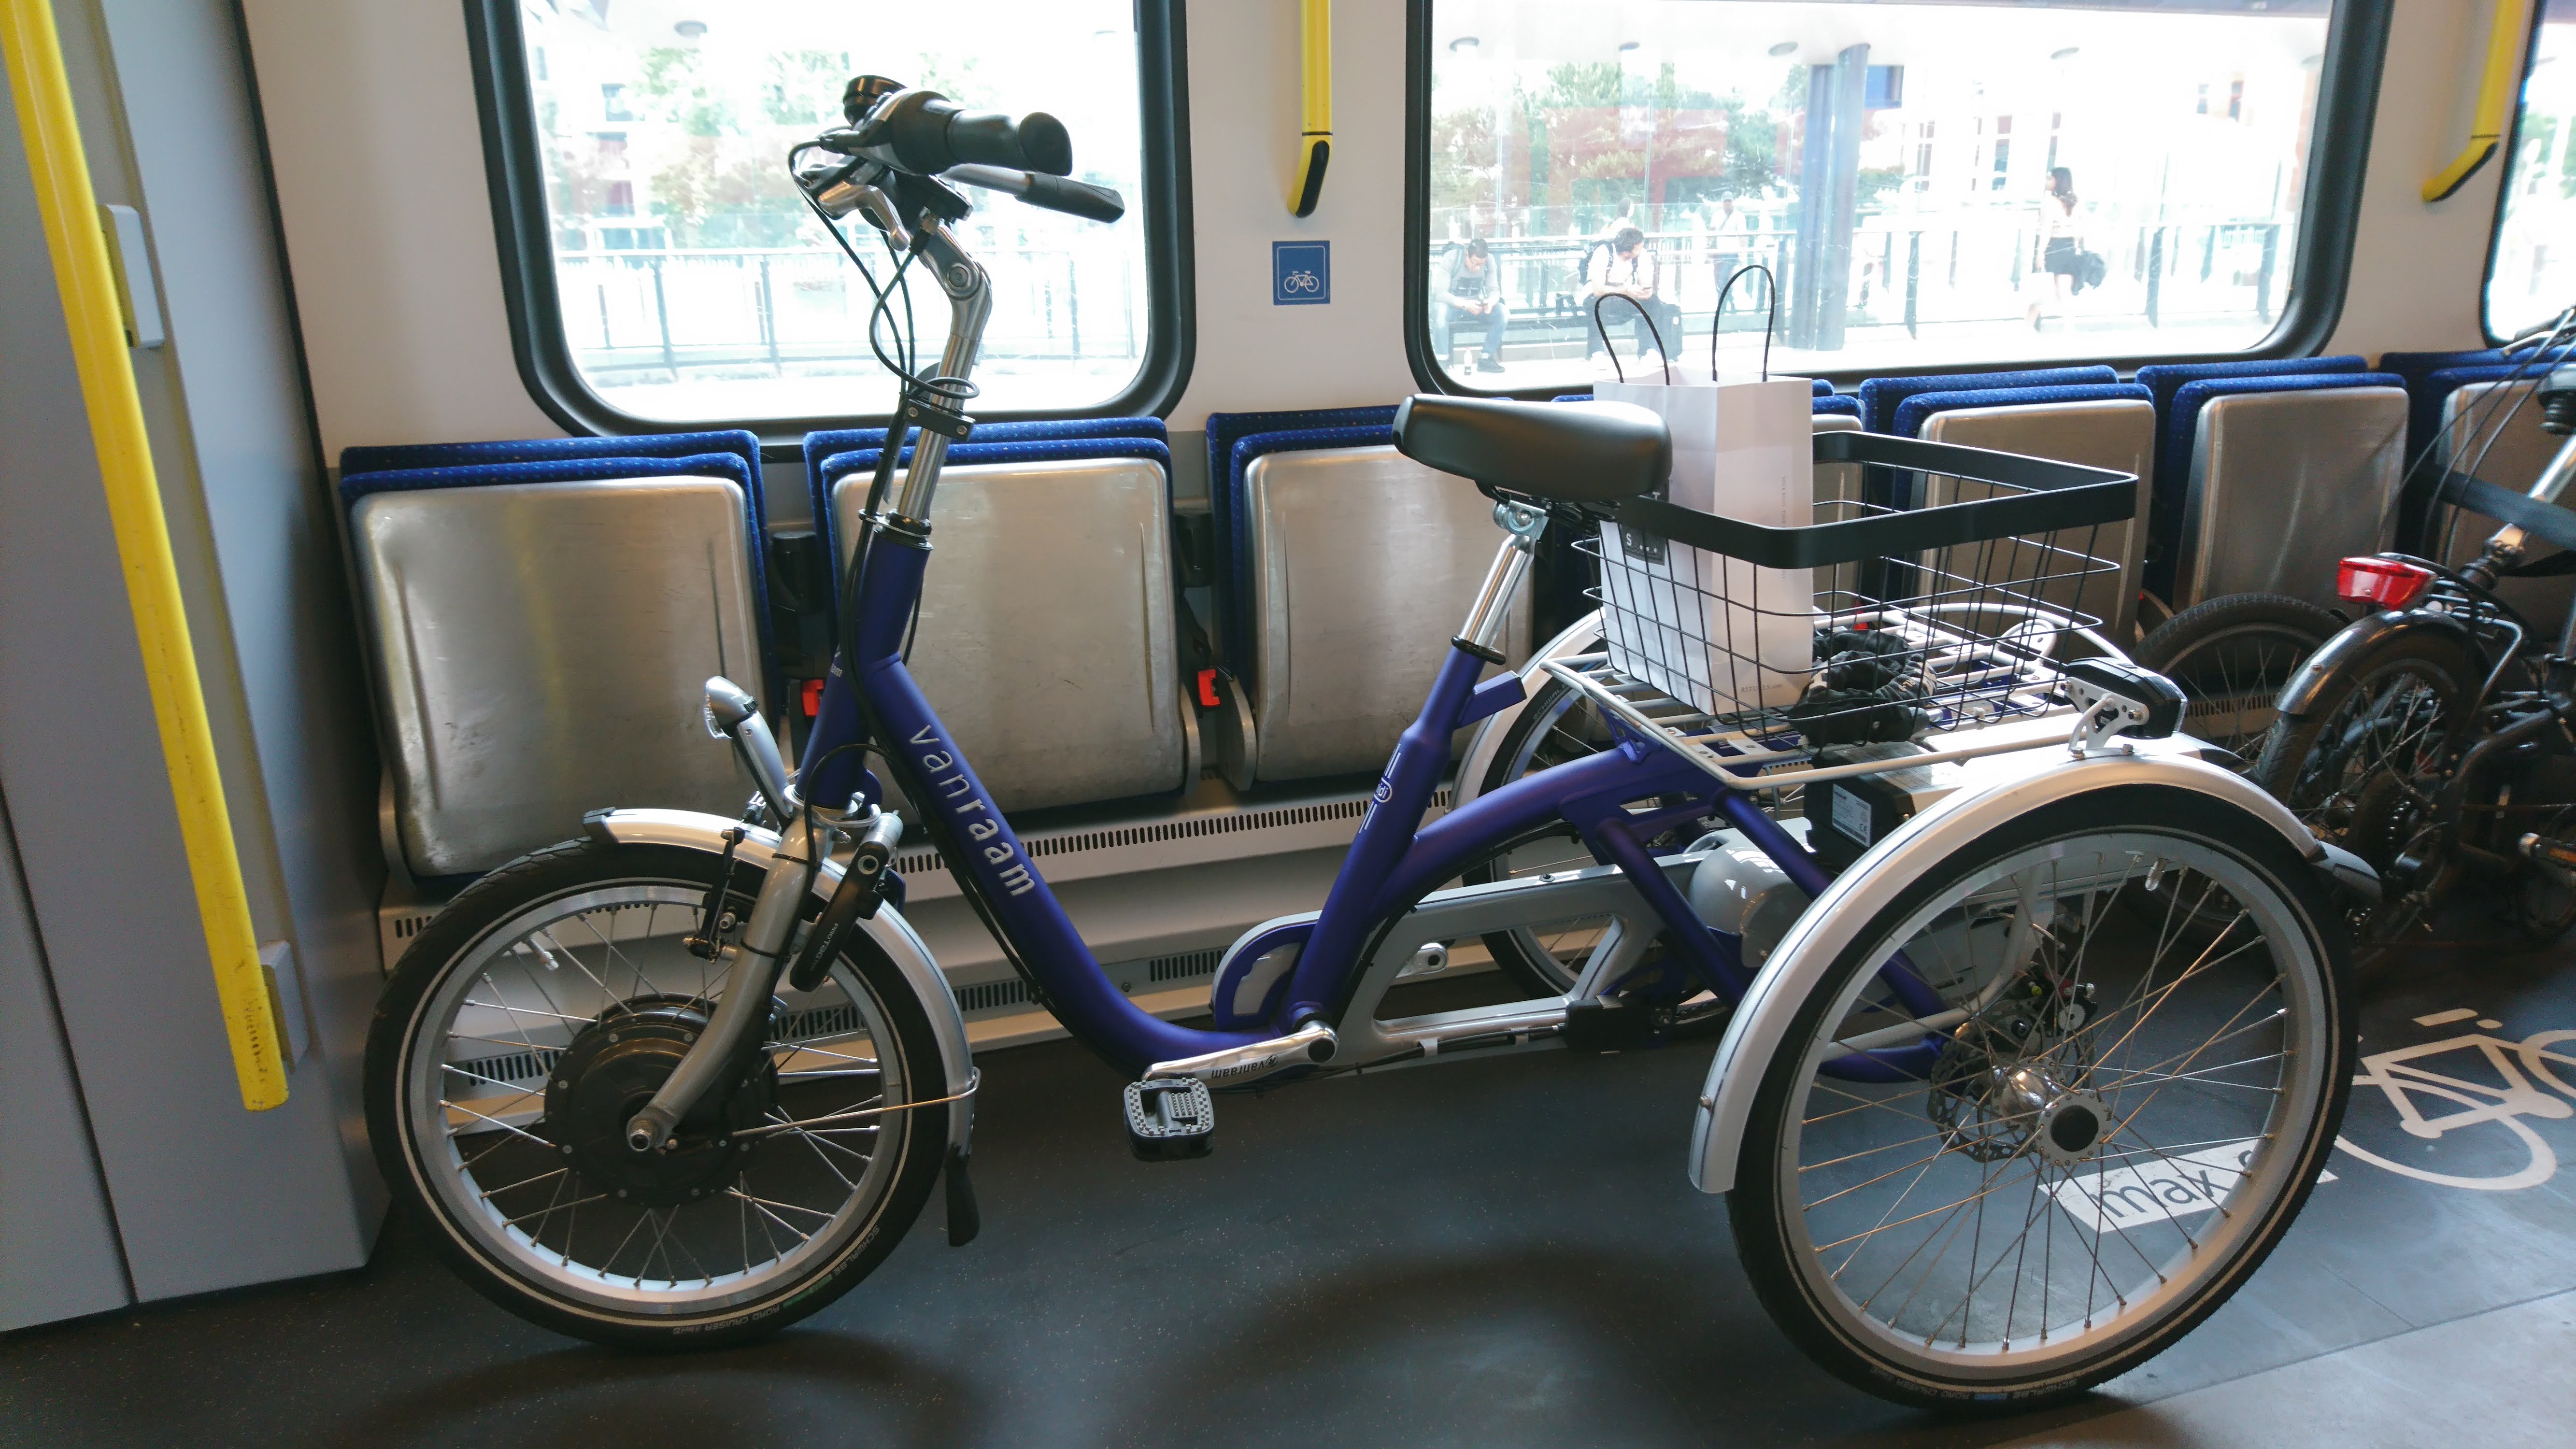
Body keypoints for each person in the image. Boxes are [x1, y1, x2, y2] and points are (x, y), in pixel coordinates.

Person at [1582, 225, 1680, 364]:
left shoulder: (1640, 256)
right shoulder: (1604, 252)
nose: (1642, 250)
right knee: (1599, 306)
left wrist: (1645, 291)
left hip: (1624, 297)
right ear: (1627, 251)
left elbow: (1645, 283)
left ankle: (1648, 350)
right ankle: (1596, 352)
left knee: (1652, 304)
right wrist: (1626, 291)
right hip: (1598, 296)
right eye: (1639, 248)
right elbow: (1598, 290)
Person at [1439, 238, 1510, 374]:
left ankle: (1486, 358)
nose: (1477, 268)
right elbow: (1440, 294)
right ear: (1467, 255)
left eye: (1481, 265)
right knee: (1440, 311)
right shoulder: (1452, 259)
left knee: (1503, 312)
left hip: (1476, 306)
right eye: (1475, 263)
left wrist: (1491, 301)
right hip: (1454, 306)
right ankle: (1442, 361)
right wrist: (1466, 305)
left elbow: (1494, 290)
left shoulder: (1489, 261)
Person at [2031, 166, 2082, 330]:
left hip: (2054, 246)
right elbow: (2082, 225)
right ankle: (2069, 329)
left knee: (2043, 291)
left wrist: (2040, 253)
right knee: (2065, 292)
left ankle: (2028, 326)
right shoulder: (2074, 201)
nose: (2047, 181)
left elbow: (2046, 230)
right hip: (2069, 247)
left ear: (2057, 180)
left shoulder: (2050, 202)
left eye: (2050, 178)